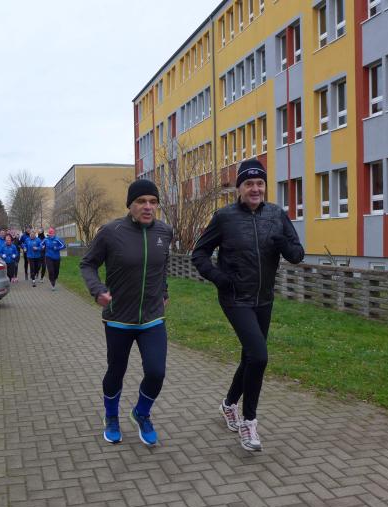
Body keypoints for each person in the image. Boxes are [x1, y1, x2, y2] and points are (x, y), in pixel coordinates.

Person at [191, 158, 304, 452]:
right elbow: (199, 254)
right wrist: (219, 278)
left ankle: (229, 404)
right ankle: (248, 422)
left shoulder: (277, 215)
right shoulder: (224, 218)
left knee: (250, 357)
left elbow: (296, 254)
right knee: (259, 356)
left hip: (263, 299)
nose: (255, 189)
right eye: (249, 183)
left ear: (265, 187)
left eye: (260, 183)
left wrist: (282, 242)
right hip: (235, 298)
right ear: (239, 188)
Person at [81, 180, 173, 447]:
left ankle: (141, 413)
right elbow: (87, 264)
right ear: (130, 205)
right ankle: (111, 416)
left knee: (156, 372)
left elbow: (163, 264)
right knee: (116, 371)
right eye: (141, 201)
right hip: (119, 318)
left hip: (152, 317)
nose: (148, 207)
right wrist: (97, 289)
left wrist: (164, 290)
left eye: (153, 202)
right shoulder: (111, 232)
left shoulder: (165, 231)